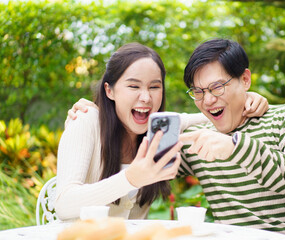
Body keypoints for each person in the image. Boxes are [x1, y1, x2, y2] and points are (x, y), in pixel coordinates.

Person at [57, 42, 269, 221]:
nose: (146, 97)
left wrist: (246, 98)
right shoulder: (85, 120)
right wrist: (130, 178)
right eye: (133, 86)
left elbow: (212, 113)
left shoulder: (160, 130)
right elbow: (64, 204)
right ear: (109, 90)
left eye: (154, 87)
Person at [177, 39, 285, 240]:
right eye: (198, 92)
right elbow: (144, 158)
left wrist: (237, 149)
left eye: (217, 87)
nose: (207, 101)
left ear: (245, 80)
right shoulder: (200, 138)